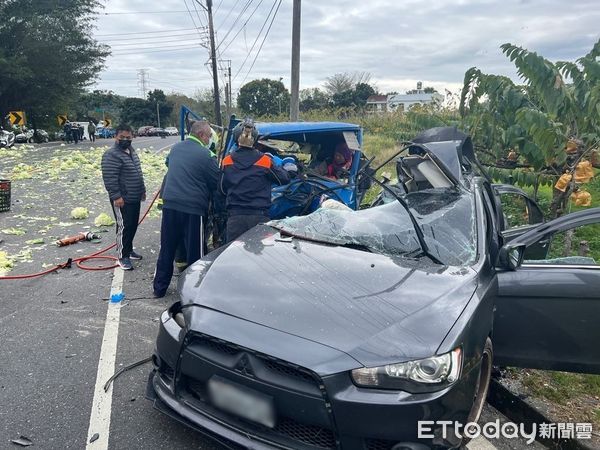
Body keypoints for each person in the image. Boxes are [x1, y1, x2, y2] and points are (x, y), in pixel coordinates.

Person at [153, 120, 219, 298]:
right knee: (195, 251)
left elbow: (170, 165)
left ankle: (159, 288)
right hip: (193, 208)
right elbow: (216, 182)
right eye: (208, 136)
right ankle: (193, 292)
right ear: (201, 135)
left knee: (167, 246)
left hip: (170, 204)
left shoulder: (175, 148)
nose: (209, 140)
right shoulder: (206, 155)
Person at [220, 118, 295, 243]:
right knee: (259, 259)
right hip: (259, 218)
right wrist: (290, 167)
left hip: (235, 219)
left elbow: (222, 189)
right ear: (255, 139)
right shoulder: (264, 161)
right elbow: (284, 179)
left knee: (233, 257)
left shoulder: (227, 161)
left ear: (235, 138)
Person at [101, 124, 146, 270]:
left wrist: (142, 190)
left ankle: (129, 249)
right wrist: (116, 196)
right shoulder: (111, 154)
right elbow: (109, 177)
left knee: (132, 225)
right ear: (116, 137)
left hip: (134, 195)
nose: (126, 140)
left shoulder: (131, 151)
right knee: (124, 226)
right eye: (122, 137)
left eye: (128, 137)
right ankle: (122, 256)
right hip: (122, 198)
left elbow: (138, 173)